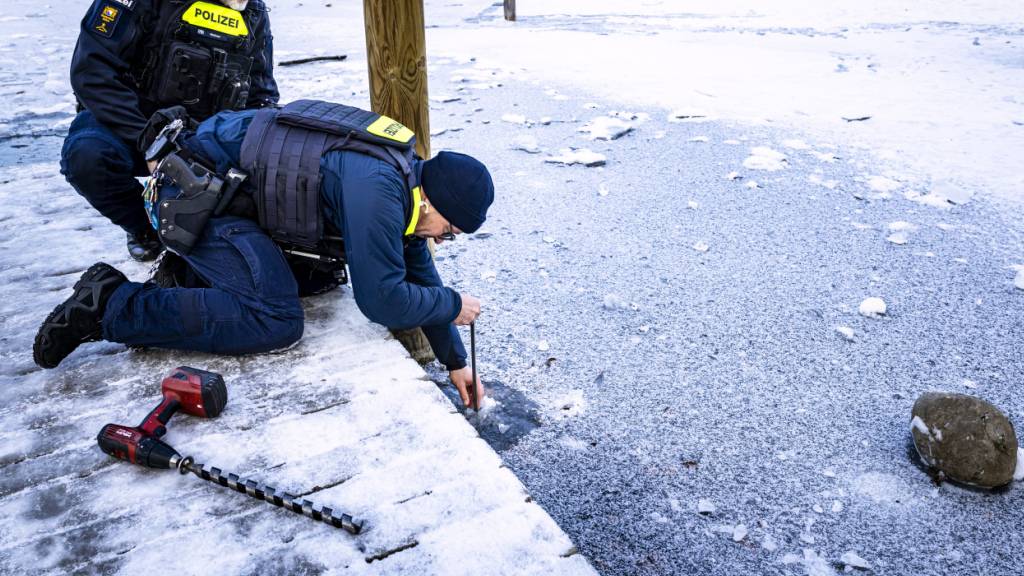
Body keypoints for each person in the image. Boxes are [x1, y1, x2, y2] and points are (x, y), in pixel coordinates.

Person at [34, 101, 494, 408]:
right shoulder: (377, 191)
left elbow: (416, 270)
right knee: (274, 318)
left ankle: (189, 280)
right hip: (193, 198)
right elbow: (382, 301)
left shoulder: (402, 176)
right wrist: (453, 305)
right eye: (448, 232)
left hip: (228, 195)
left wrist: (455, 361)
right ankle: (110, 304)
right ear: (432, 201)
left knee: (311, 282)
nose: (440, 240)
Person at [62, 0, 278, 261]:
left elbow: (260, 94)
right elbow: (92, 74)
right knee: (87, 156)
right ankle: (146, 227)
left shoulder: (253, 11)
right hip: (131, 122)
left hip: (202, 134)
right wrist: (152, 141)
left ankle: (206, 229)